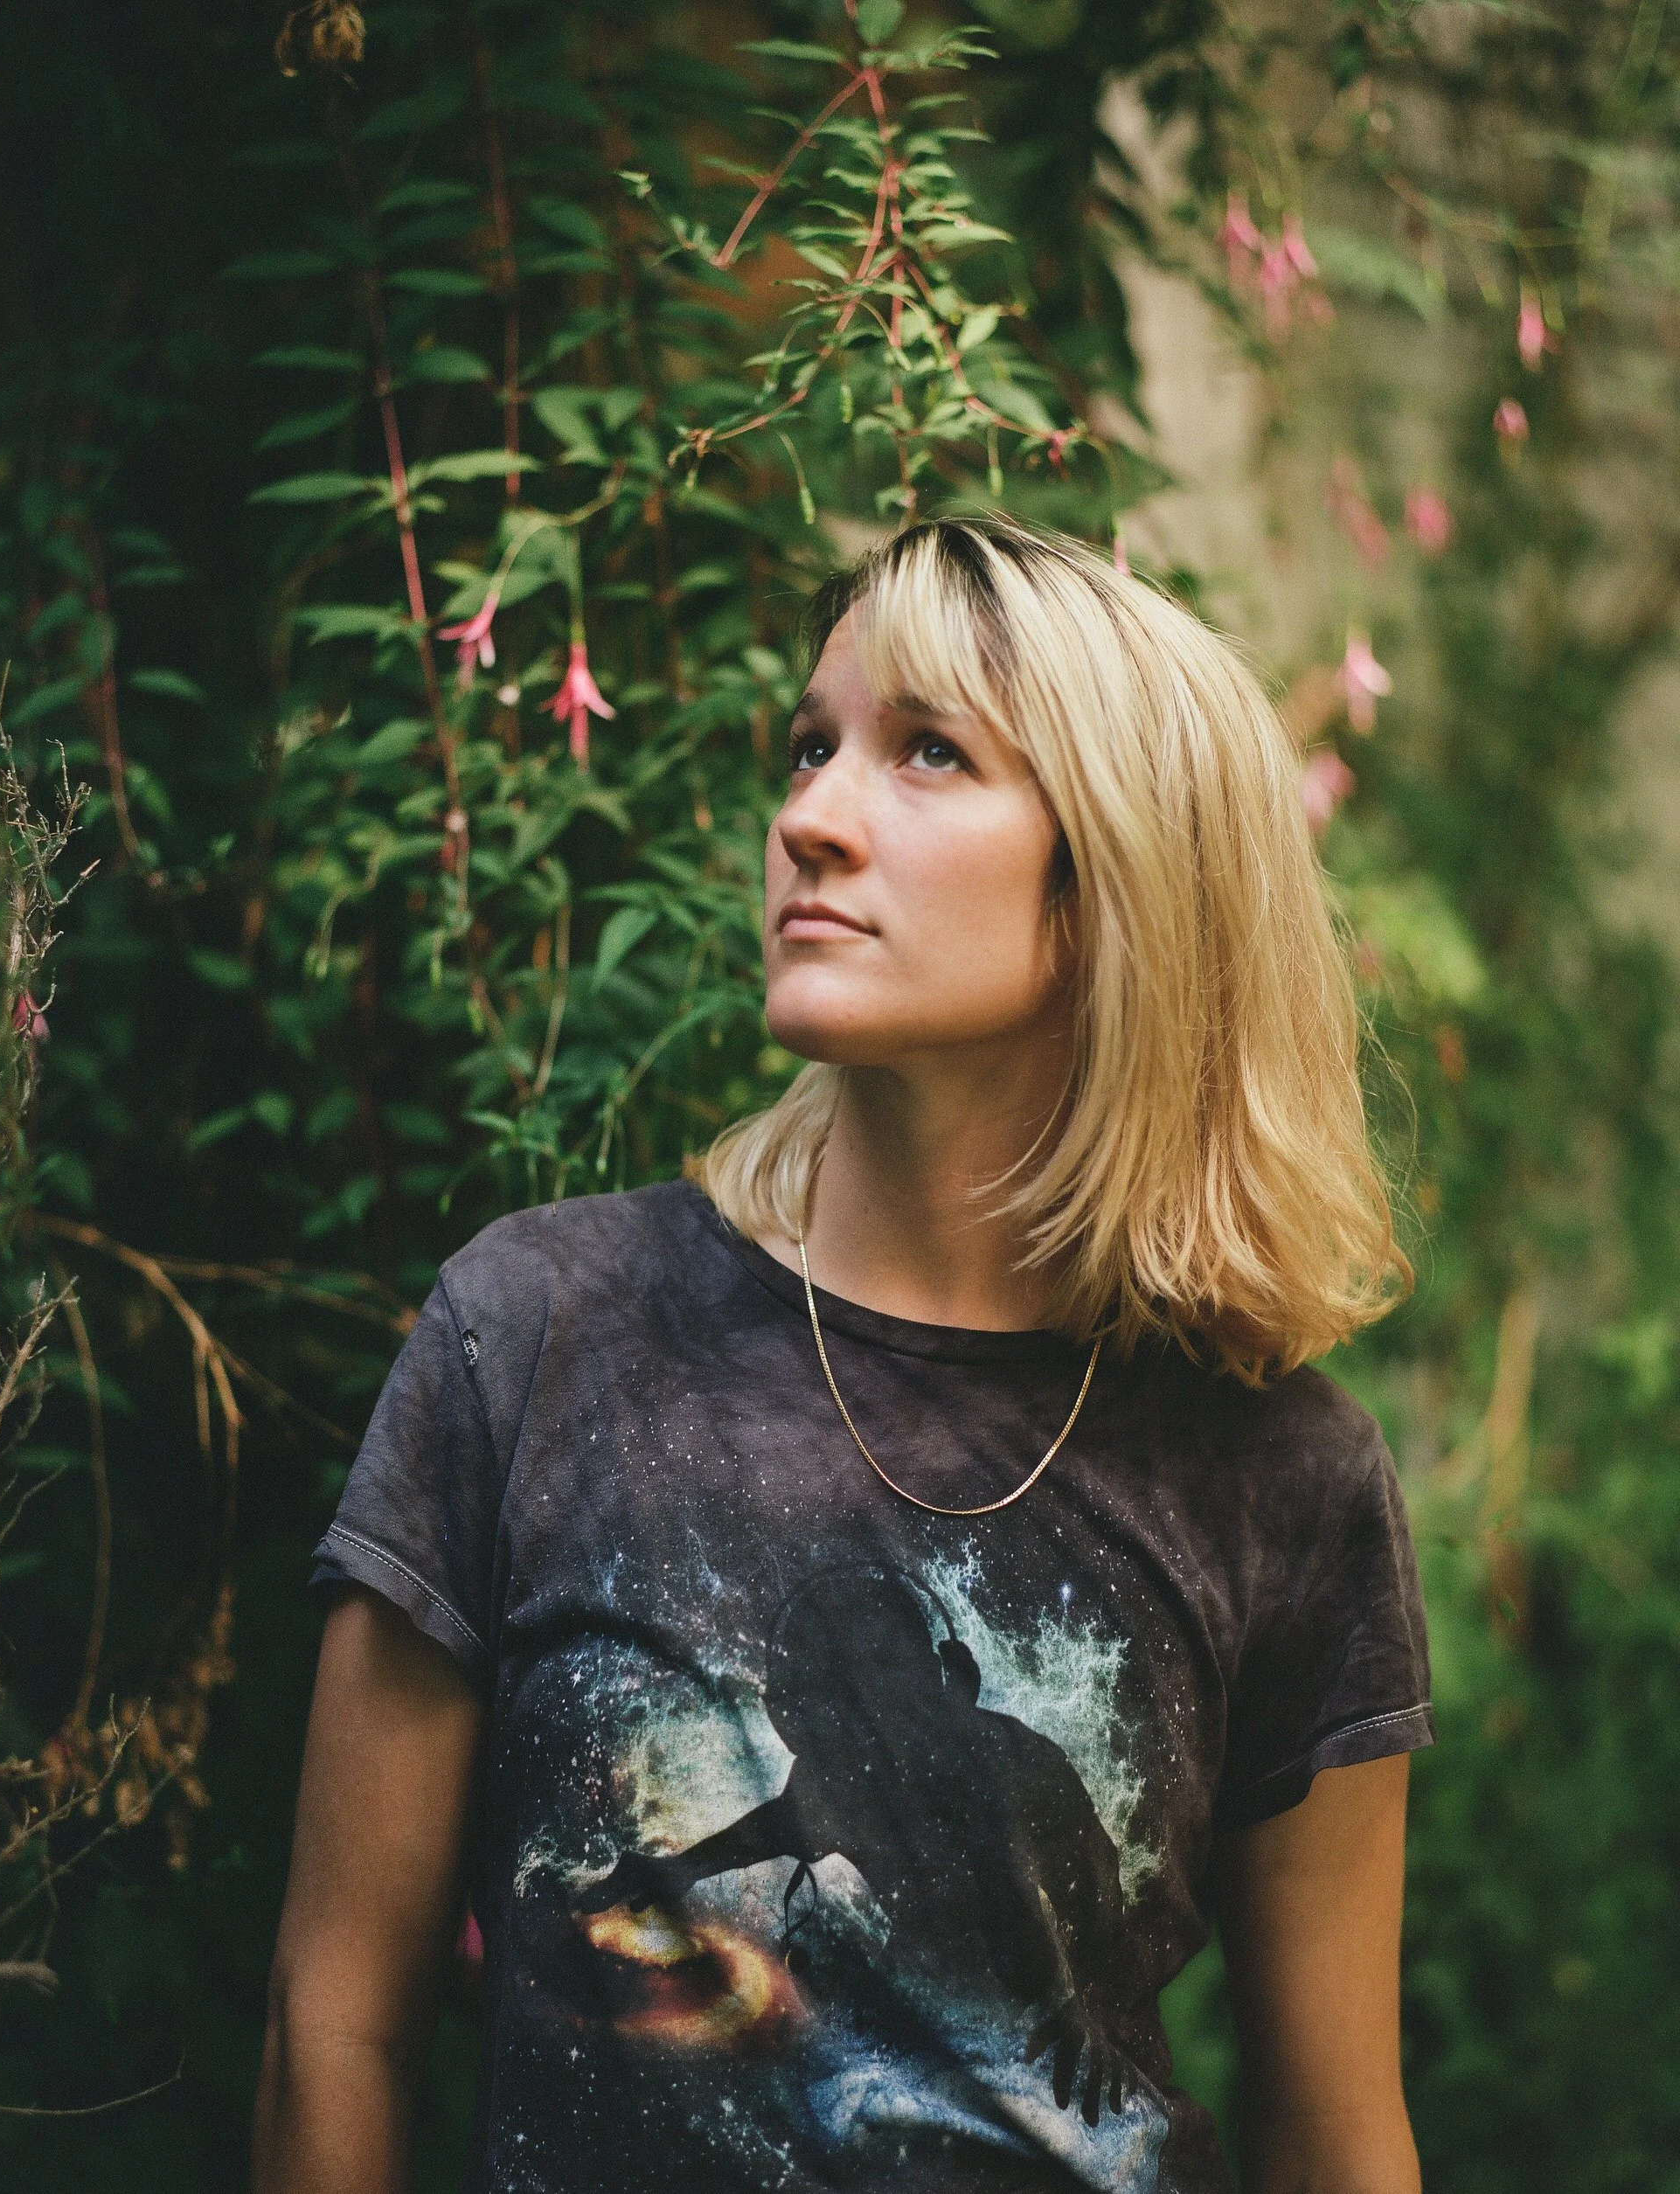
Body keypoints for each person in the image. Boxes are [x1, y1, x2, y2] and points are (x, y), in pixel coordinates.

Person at [253, 514, 1434, 2194]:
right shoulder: (531, 1338)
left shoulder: (1279, 1472)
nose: (808, 813)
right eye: (812, 745)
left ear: (1110, 887)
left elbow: (1333, 2125)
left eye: (927, 753)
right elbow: (334, 2022)